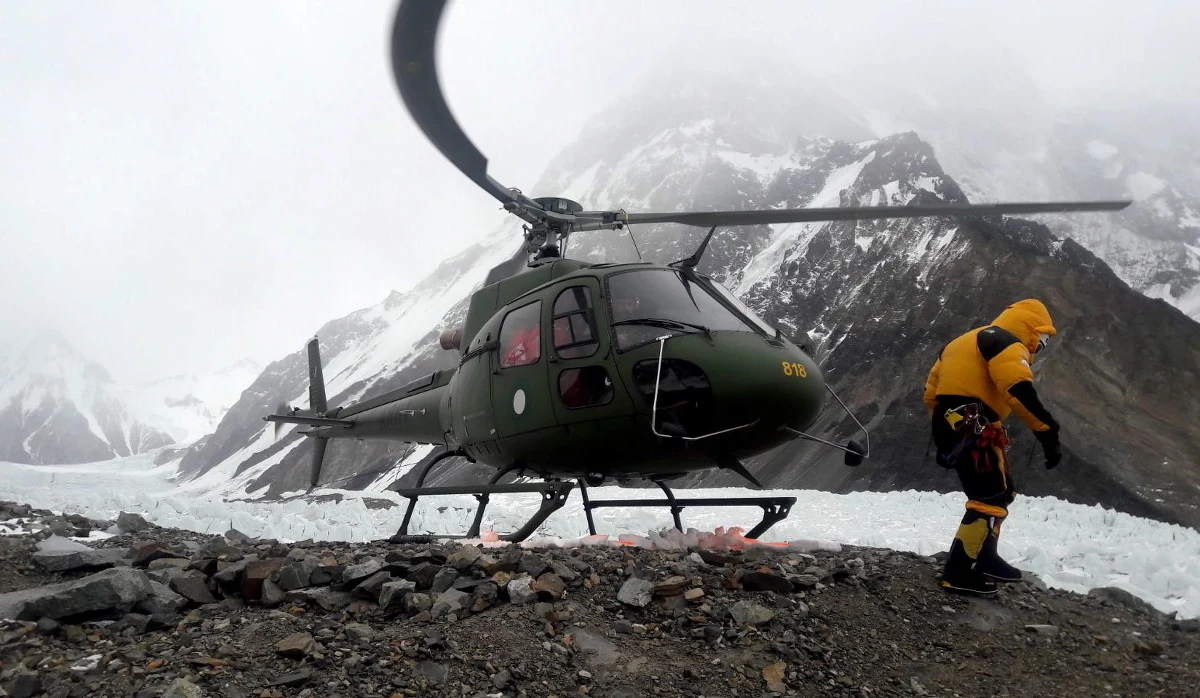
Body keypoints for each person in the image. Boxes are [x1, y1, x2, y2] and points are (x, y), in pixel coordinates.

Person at [923, 298, 1062, 595]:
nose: (1040, 348)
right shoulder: (1006, 342)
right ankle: (958, 572)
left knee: (1002, 491)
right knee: (989, 497)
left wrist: (946, 431)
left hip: (956, 422)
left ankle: (985, 557)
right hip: (976, 423)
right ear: (1031, 330)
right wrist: (1048, 431)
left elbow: (930, 393)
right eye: (1042, 340)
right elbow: (1017, 389)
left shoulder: (959, 342)